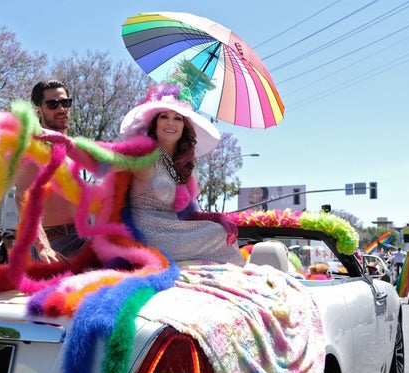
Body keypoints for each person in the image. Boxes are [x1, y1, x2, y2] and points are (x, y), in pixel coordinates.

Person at [120, 84, 243, 266]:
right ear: (154, 125)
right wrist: (77, 148)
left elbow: (187, 215)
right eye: (164, 116)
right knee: (217, 234)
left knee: (220, 231)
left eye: (177, 118)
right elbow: (108, 161)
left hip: (173, 230)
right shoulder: (143, 155)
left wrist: (218, 218)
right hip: (147, 235)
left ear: (184, 127)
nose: (170, 122)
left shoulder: (179, 166)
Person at [14, 80, 98, 263]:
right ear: (38, 109)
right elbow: (22, 197)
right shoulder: (36, 146)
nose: (61, 109)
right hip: (58, 245)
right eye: (53, 104)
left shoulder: (71, 150)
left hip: (84, 239)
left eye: (65, 103)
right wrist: (42, 245)